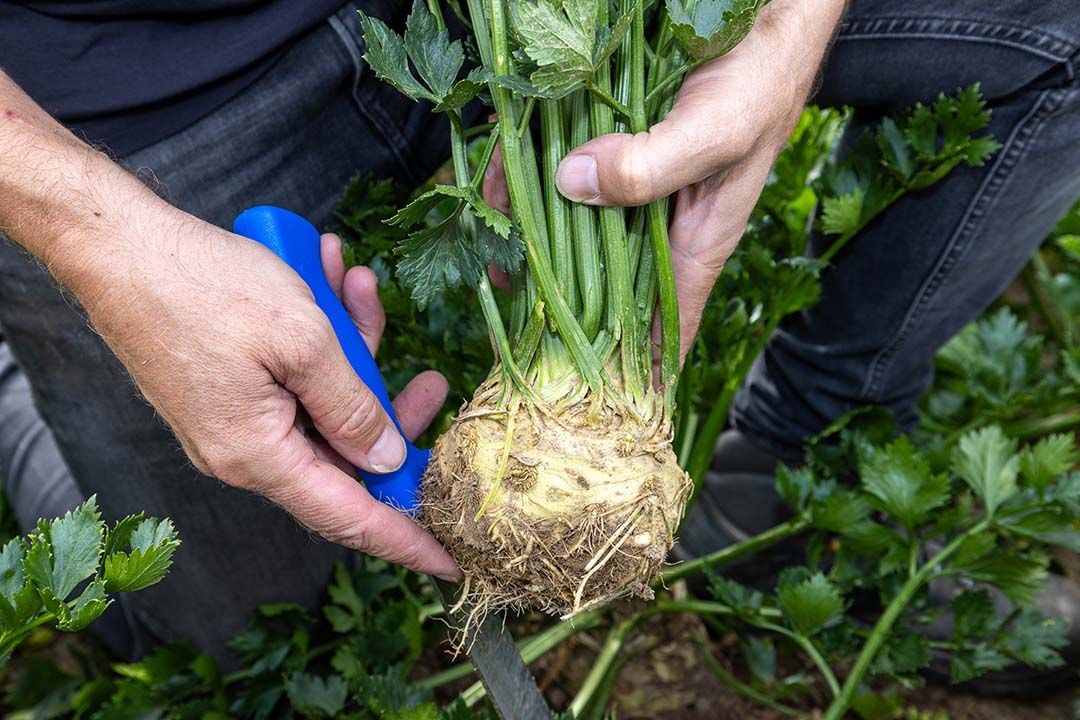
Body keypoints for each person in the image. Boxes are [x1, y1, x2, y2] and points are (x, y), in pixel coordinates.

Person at [0, 0, 1078, 677]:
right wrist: (96, 240)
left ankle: (795, 457)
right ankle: (22, 390)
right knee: (234, 640)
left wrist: (793, 29)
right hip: (105, 106)